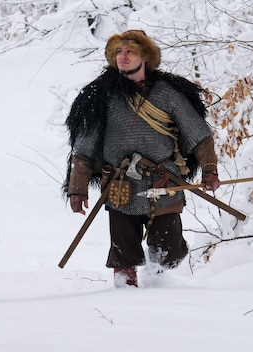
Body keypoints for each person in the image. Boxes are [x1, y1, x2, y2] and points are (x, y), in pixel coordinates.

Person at [63, 30, 220, 288]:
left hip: (164, 182)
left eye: (130, 51)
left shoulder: (168, 94)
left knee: (168, 252)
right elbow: (84, 147)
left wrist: (210, 170)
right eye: (118, 52)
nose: (122, 56)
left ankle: (158, 283)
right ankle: (126, 301)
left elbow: (200, 136)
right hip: (120, 185)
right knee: (124, 255)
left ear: (145, 56)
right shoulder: (101, 96)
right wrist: (77, 189)